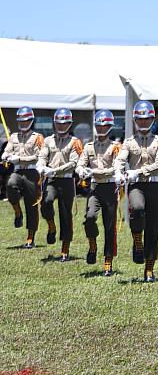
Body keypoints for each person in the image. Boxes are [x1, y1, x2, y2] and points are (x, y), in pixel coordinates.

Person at [114, 101, 158, 282]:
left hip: (153, 185)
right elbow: (120, 159)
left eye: (147, 119)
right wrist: (118, 172)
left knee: (152, 227)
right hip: (135, 185)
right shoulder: (129, 142)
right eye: (140, 119)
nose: (143, 122)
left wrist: (138, 170)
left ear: (152, 120)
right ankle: (137, 242)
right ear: (135, 120)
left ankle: (149, 268)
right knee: (136, 209)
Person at [76, 110, 122, 276]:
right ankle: (92, 245)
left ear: (110, 126)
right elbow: (80, 164)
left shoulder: (116, 147)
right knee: (89, 218)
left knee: (110, 226)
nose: (101, 128)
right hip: (95, 189)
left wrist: (94, 171)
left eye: (105, 125)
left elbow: (117, 168)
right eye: (98, 125)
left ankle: (108, 260)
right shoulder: (89, 146)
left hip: (110, 189)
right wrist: (81, 171)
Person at [37, 108, 83, 261]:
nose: (61, 126)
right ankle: (51, 226)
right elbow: (43, 156)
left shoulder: (75, 142)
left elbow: (73, 163)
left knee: (65, 214)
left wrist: (54, 170)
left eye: (64, 123)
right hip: (51, 180)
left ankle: (65, 248)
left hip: (66, 180)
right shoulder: (48, 140)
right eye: (58, 123)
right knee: (46, 202)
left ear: (69, 124)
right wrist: (41, 166)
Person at [1, 106, 44, 247]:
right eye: (20, 120)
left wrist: (18, 158)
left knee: (31, 205)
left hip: (32, 172)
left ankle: (30, 237)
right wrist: (6, 155)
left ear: (31, 120)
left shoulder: (38, 138)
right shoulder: (13, 136)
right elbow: (7, 150)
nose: (22, 123)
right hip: (18, 172)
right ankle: (17, 212)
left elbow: (39, 156)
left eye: (25, 121)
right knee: (10, 185)